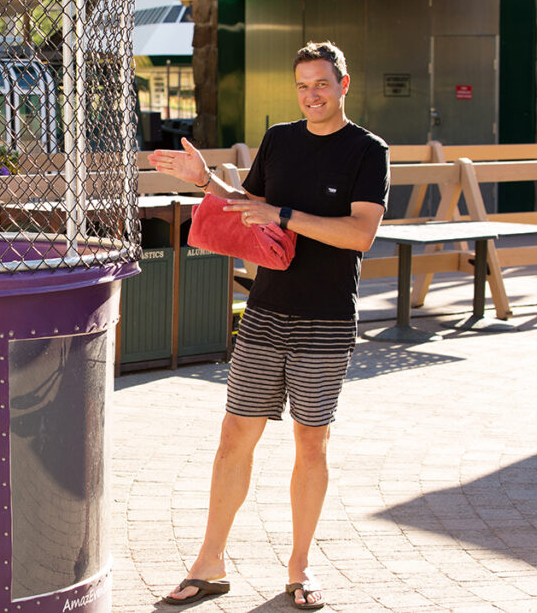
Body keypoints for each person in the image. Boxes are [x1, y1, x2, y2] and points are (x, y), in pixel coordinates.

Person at [147, 41, 389, 609]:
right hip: (265, 312)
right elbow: (249, 208)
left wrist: (285, 215)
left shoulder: (367, 152)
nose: (312, 95)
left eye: (322, 85)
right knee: (235, 437)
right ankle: (210, 563)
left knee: (311, 443)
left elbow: (359, 236)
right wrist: (207, 182)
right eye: (303, 86)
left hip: (325, 317)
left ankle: (300, 568)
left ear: (344, 84)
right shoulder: (280, 139)